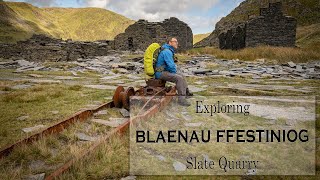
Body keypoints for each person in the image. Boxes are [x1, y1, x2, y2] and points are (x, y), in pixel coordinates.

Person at [154, 37, 193, 106]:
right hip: (160, 73)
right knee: (179, 78)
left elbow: (170, 66)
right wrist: (175, 72)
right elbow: (171, 66)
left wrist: (176, 71)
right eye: (175, 41)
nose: (177, 43)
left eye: (177, 41)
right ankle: (181, 100)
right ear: (170, 42)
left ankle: (186, 92)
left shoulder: (168, 50)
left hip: (164, 71)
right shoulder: (167, 51)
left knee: (181, 74)